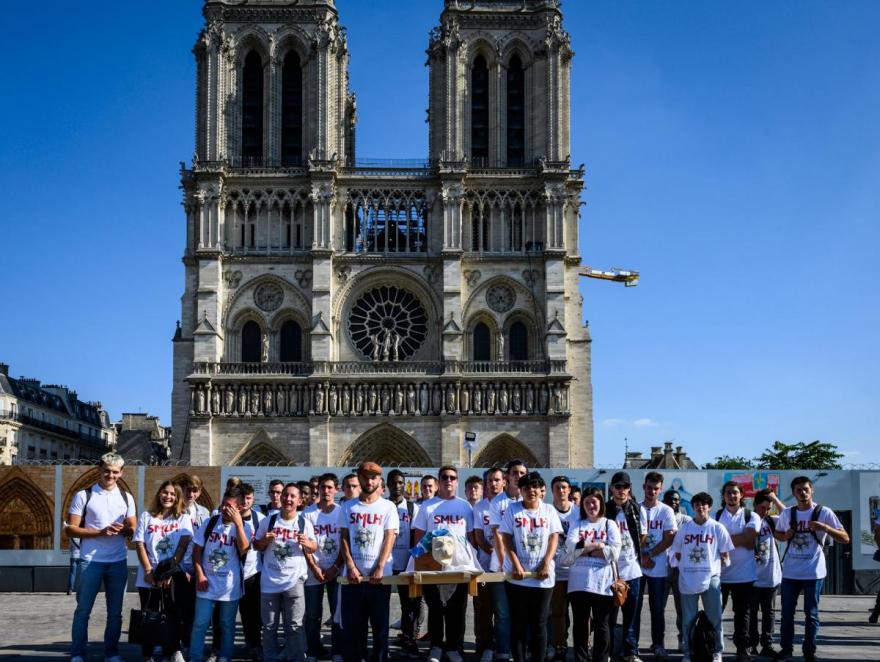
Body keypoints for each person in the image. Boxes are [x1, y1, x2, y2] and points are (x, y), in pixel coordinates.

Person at [67, 452, 138, 662]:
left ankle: (112, 653)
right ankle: (78, 654)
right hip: (90, 561)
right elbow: (70, 529)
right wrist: (99, 532)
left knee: (115, 614)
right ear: (99, 469)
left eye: (115, 472)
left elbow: (133, 527)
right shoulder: (84, 495)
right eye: (107, 470)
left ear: (121, 473)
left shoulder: (126, 497)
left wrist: (125, 529)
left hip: (117, 561)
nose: (111, 475)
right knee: (83, 611)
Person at [775, 476, 850, 662]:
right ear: (793, 493)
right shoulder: (787, 514)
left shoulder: (824, 512)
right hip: (791, 572)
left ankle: (809, 651)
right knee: (786, 614)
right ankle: (786, 650)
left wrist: (824, 527)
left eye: (806, 489)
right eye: (799, 490)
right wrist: (786, 536)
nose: (803, 492)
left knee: (812, 613)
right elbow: (777, 534)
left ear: (812, 490)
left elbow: (845, 538)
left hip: (814, 572)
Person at [413, 465, 475, 662]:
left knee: (457, 609)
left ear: (457, 481)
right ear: (438, 482)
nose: (449, 480)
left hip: (459, 566)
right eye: (445, 477)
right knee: (436, 608)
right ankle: (436, 647)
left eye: (452, 477)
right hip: (433, 565)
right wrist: (419, 562)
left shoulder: (465, 506)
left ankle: (454, 647)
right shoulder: (427, 506)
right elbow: (419, 536)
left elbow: (471, 537)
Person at [499, 471, 563, 662]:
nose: (531, 491)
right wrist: (516, 564)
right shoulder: (512, 509)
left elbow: (554, 537)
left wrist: (546, 563)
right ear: (520, 490)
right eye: (526, 487)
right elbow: (506, 538)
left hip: (542, 578)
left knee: (539, 624)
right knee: (518, 624)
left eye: (535, 487)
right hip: (518, 577)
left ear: (541, 490)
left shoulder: (549, 510)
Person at [340, 461, 399, 662]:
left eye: (374, 477)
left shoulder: (388, 507)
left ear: (379, 480)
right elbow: (344, 537)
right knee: (353, 632)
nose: (370, 480)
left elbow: (390, 536)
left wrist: (380, 566)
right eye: (366, 476)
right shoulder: (348, 506)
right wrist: (349, 566)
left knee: (380, 630)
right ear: (360, 478)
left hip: (379, 578)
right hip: (353, 578)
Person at [254, 482, 317, 662]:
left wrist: (308, 544)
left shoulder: (304, 522)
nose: (288, 499)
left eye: (292, 496)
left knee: (295, 625)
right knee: (269, 626)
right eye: (285, 495)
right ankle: (270, 658)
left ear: (299, 501)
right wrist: (264, 541)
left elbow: (314, 546)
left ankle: (296, 658)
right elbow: (256, 545)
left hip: (294, 581)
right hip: (269, 583)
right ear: (280, 498)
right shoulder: (269, 521)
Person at [189, 484, 251, 662]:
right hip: (206, 581)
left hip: (229, 585)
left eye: (230, 506)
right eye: (223, 504)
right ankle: (195, 656)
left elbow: (244, 548)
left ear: (238, 507)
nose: (224, 508)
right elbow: (197, 551)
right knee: (200, 623)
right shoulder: (210, 522)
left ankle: (224, 656)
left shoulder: (244, 527)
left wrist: (238, 525)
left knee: (226, 624)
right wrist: (199, 574)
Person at [670, 491, 734, 662]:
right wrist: (684, 566)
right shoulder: (685, 529)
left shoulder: (717, 528)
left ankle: (716, 651)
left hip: (711, 578)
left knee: (715, 617)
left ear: (709, 507)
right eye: (697, 505)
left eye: (704, 504)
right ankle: (687, 652)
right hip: (688, 579)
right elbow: (676, 552)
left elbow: (725, 553)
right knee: (688, 619)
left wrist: (721, 562)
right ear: (693, 507)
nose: (700, 507)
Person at [133, 480, 193, 662]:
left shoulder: (182, 517)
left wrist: (168, 573)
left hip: (171, 576)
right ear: (159, 493)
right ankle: (147, 655)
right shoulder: (146, 516)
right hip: (149, 576)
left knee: (172, 615)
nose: (168, 496)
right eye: (165, 492)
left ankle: (172, 650)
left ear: (177, 498)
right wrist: (149, 570)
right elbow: (140, 544)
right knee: (149, 614)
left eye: (173, 494)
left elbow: (182, 547)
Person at [564, 487, 622, 662]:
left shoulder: (609, 524)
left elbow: (615, 552)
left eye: (594, 502)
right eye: (587, 502)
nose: (591, 505)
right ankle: (581, 658)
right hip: (578, 584)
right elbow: (570, 548)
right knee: (580, 625)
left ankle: (601, 659)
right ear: (582, 505)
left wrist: (586, 548)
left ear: (601, 503)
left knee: (602, 626)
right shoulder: (578, 524)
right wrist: (599, 546)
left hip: (602, 584)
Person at [488, 459, 529, 661]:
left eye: (522, 473)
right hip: (501, 567)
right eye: (515, 473)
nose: (518, 476)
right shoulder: (497, 503)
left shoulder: (531, 500)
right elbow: (497, 535)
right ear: (508, 477)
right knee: (503, 614)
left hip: (525, 567)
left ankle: (522, 651)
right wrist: (507, 562)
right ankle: (503, 651)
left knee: (523, 613)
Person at [606, 471, 647, 662]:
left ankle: (631, 651)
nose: (622, 491)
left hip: (632, 570)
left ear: (630, 489)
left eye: (625, 487)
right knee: (608, 616)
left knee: (632, 615)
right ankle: (608, 650)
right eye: (618, 487)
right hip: (609, 571)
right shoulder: (605, 510)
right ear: (612, 488)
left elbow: (642, 536)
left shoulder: (638, 510)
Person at [303, 473, 344, 662]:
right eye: (322, 487)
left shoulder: (342, 512)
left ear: (336, 489)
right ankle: (312, 651)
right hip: (314, 571)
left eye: (329, 487)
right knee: (312, 614)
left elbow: (346, 543)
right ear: (317, 489)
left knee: (337, 613)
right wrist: (313, 567)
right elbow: (304, 544)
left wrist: (335, 567)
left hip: (337, 570)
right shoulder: (308, 514)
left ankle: (337, 651)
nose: (326, 491)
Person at [638, 472, 678, 662]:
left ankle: (658, 644)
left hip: (658, 566)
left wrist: (650, 554)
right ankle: (632, 646)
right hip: (637, 566)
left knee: (657, 608)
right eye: (649, 487)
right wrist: (641, 557)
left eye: (656, 488)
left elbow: (670, 537)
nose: (652, 491)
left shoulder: (666, 511)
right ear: (643, 487)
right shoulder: (635, 508)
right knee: (634, 608)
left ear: (660, 489)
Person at [387, 469, 422, 658]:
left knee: (410, 606)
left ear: (405, 484)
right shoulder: (382, 506)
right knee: (380, 605)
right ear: (387, 485)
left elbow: (417, 538)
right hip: (384, 565)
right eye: (393, 482)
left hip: (405, 564)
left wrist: (413, 561)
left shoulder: (412, 508)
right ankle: (379, 639)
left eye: (400, 482)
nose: (397, 486)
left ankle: (409, 639)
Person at [176, 474, 211, 657]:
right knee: (180, 610)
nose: (191, 493)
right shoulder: (175, 510)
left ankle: (191, 645)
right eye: (188, 489)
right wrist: (181, 567)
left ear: (199, 492)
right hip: (179, 568)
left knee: (197, 612)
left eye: (195, 490)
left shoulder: (205, 513)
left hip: (199, 570)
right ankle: (177, 645)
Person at [473, 467, 505, 662]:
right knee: (483, 611)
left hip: (505, 568)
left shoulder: (511, 504)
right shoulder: (479, 507)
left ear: (504, 482)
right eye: (490, 481)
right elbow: (478, 536)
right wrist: (493, 553)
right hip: (484, 567)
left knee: (502, 612)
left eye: (497, 480)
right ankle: (484, 646)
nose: (493, 484)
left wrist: (503, 558)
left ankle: (502, 646)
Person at [749, 488, 785, 658]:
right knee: (752, 612)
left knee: (769, 613)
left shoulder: (772, 521)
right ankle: (751, 644)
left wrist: (775, 499)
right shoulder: (748, 520)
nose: (765, 511)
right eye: (762, 508)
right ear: (755, 505)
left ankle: (767, 644)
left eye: (768, 508)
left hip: (770, 575)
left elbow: (788, 515)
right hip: (751, 576)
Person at [549, 475, 578, 661]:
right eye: (558, 487)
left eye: (564, 487)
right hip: (556, 571)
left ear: (569, 490)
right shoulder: (547, 511)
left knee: (581, 613)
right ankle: (559, 644)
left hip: (577, 572)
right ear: (552, 490)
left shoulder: (578, 512)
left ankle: (583, 644)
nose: (561, 491)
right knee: (558, 612)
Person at [662, 489, 691, 651]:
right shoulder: (662, 517)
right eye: (671, 499)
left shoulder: (687, 520)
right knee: (659, 608)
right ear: (665, 501)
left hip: (681, 570)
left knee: (682, 608)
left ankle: (683, 639)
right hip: (663, 568)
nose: (674, 502)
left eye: (677, 499)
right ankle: (659, 641)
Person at [67, 528, 82, 595]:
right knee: (82, 573)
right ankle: (82, 589)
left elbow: (70, 547)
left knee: (72, 574)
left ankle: (70, 589)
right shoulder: (82, 535)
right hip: (81, 556)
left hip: (73, 556)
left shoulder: (71, 537)